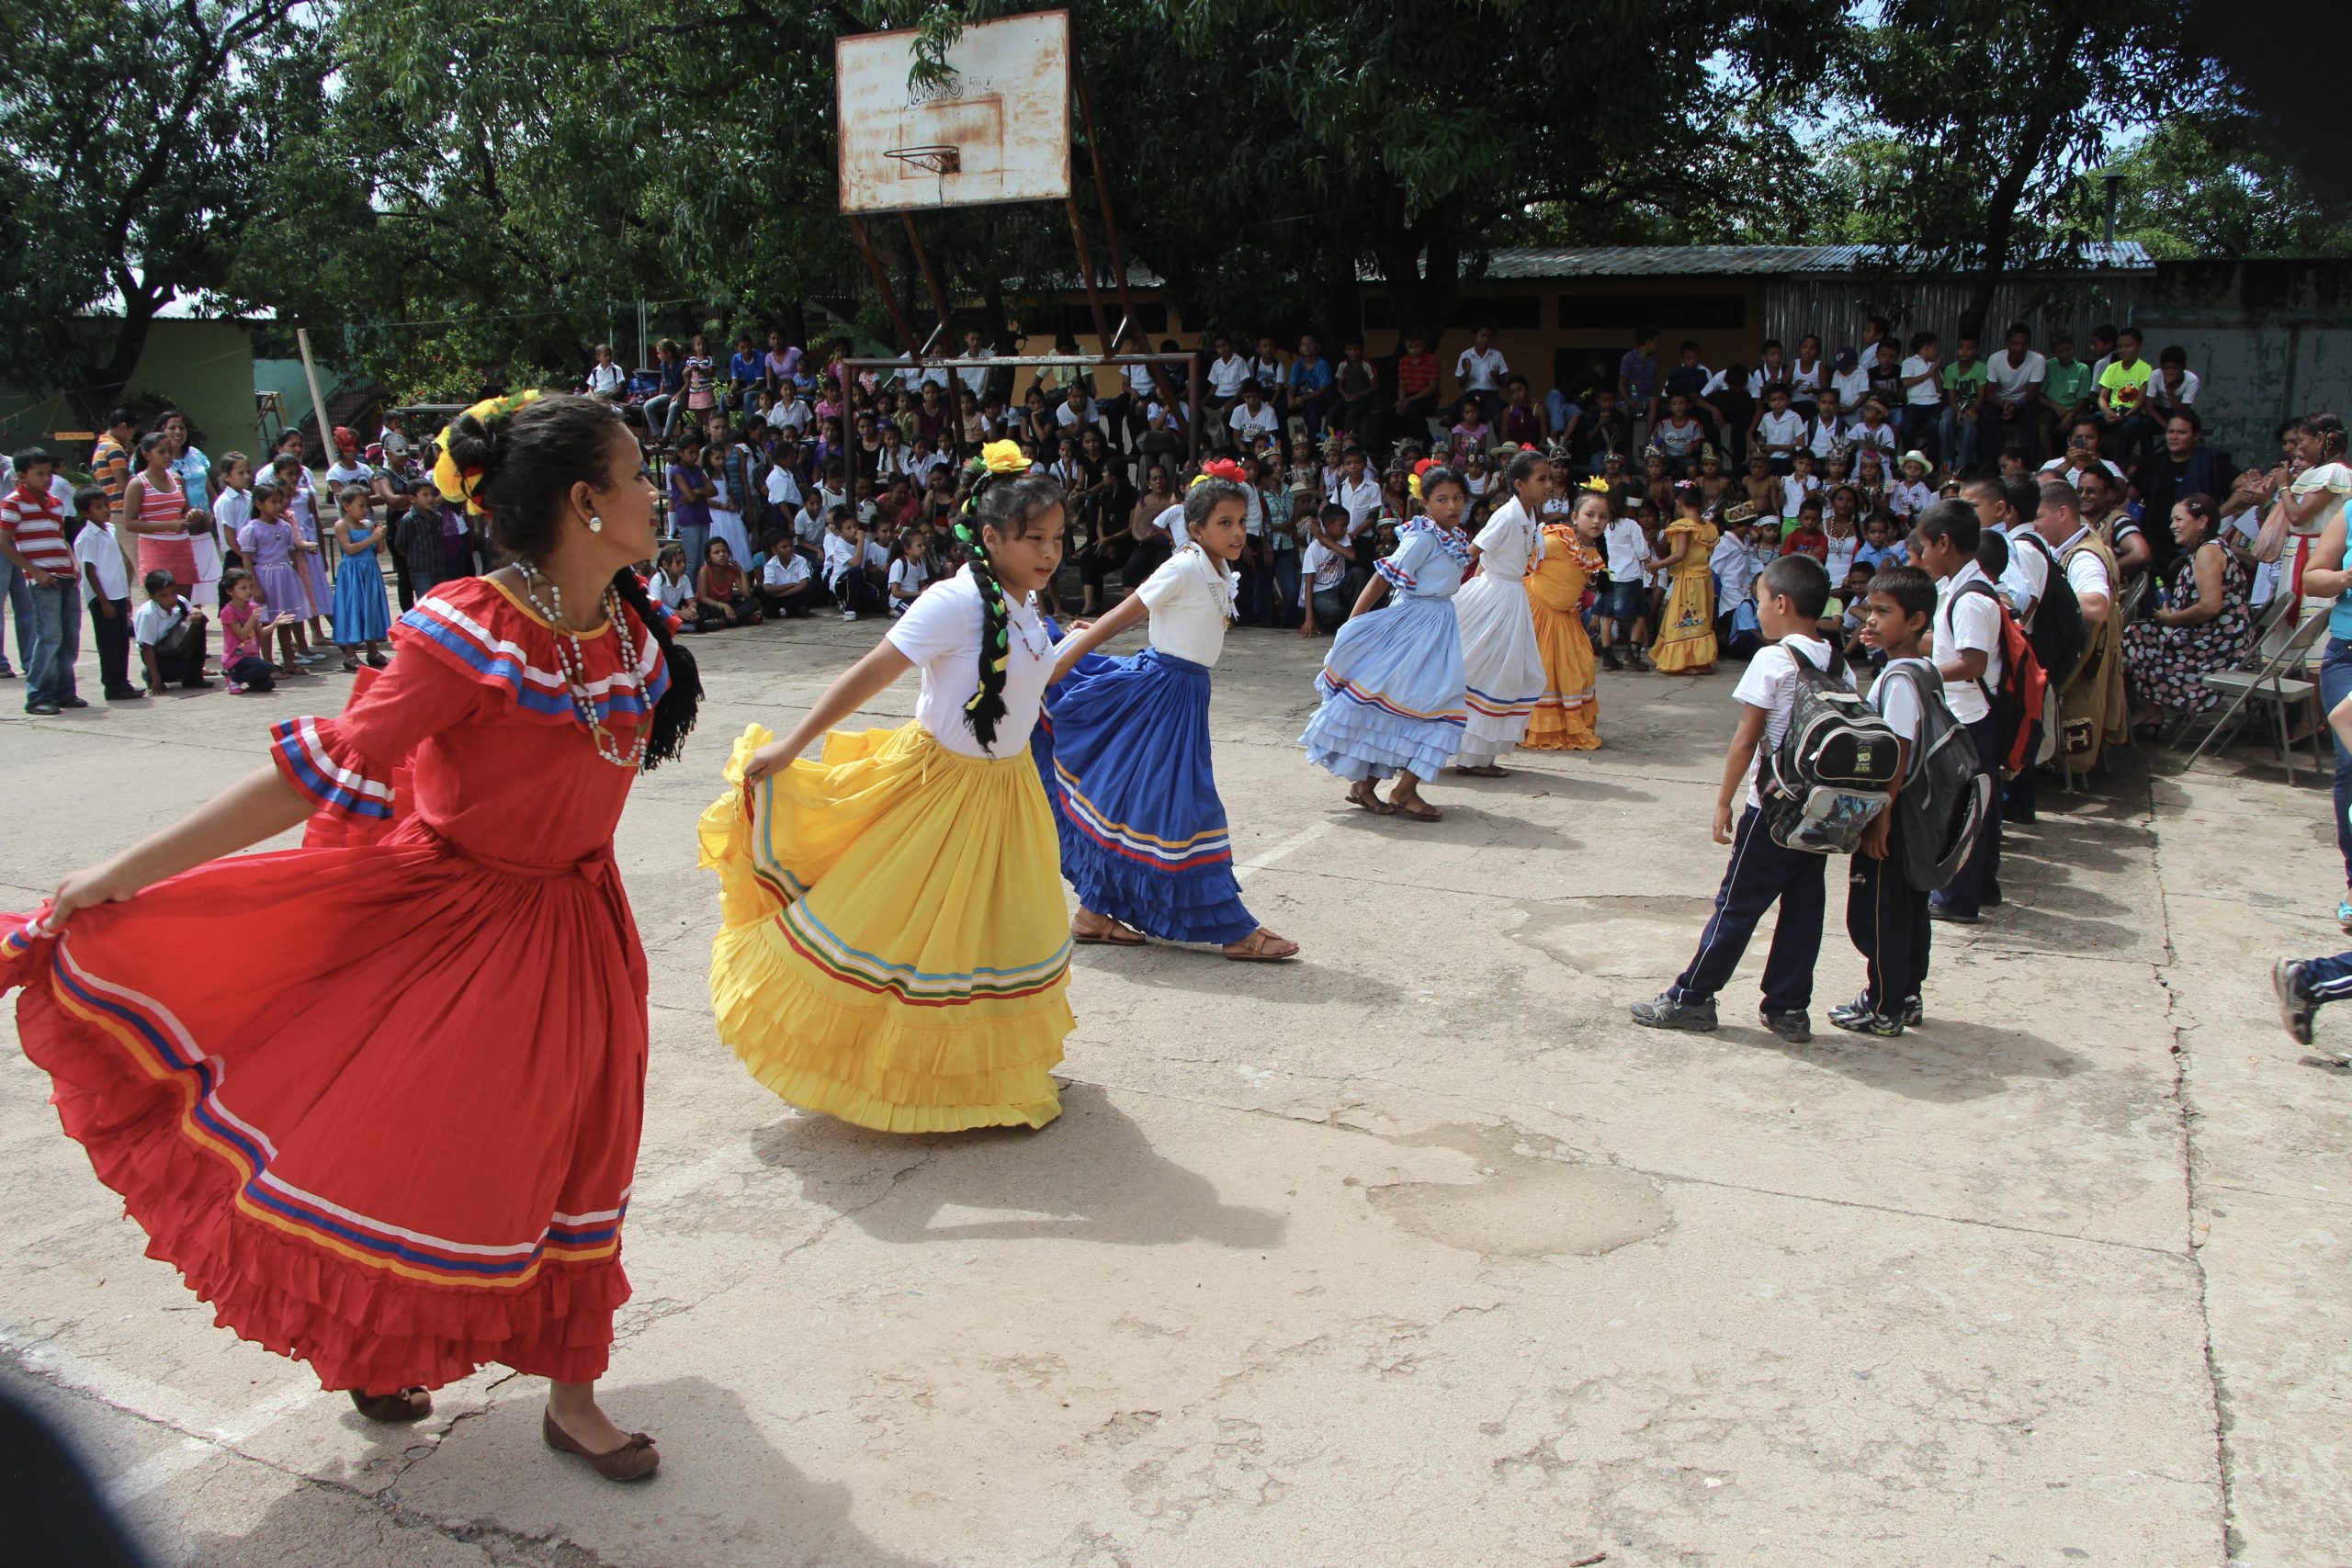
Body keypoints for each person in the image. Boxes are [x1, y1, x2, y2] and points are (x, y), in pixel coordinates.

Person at [4, 391, 697, 1479]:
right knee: (415, 1147)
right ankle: (381, 1343)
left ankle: (574, 1396)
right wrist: (119, 876)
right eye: (640, 474)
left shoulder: (622, 623)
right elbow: (313, 773)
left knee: (586, 1149)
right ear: (584, 501)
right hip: (457, 932)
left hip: (580, 925)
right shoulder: (468, 629)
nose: (655, 492)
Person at [700, 444, 1075, 1134]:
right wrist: (792, 744)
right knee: (905, 934)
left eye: (1056, 538)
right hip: (939, 791)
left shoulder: (1024, 601)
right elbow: (872, 672)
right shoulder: (953, 603)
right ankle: (899, 1071)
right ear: (991, 537)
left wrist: (1094, 630)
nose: (1050, 552)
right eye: (1034, 538)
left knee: (1001, 930)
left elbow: (1037, 673)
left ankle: (992, 1066)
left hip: (1009, 790)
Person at [1035, 473, 1298, 961]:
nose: (1237, 532)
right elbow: (1122, 615)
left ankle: (1093, 913)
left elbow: (1160, 619)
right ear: (1196, 529)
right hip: (1159, 693)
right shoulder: (1184, 566)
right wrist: (1059, 665)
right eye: (1224, 523)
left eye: (1242, 521)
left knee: (1138, 802)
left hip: (1185, 696)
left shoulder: (1216, 568)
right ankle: (1233, 928)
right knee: (1183, 807)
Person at [1629, 553, 1845, 1040]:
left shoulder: (1773, 659)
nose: (1759, 609)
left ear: (1782, 603)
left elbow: (1747, 739)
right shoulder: (1837, 661)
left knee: (1737, 905)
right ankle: (1789, 1008)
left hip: (1772, 807)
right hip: (1819, 809)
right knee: (1804, 907)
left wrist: (1724, 800)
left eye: (1761, 600)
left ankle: (1691, 998)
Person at [1299, 463, 1474, 820]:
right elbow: (1381, 579)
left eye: (1457, 498)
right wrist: (1353, 625)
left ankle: (1377, 788)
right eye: (1442, 499)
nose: (1452, 506)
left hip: (1438, 626)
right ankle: (1397, 790)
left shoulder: (1453, 536)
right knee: (1417, 706)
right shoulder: (1422, 537)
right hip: (1414, 627)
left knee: (1418, 707)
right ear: (1426, 502)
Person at [1834, 563, 1940, 1035]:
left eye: (1883, 612)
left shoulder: (1898, 679)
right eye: (1870, 610)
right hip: (1918, 812)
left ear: (1915, 621)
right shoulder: (1924, 669)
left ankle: (1883, 1006)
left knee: (1878, 913)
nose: (1870, 620)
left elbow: (1899, 750)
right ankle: (1906, 993)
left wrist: (1880, 817)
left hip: (1893, 814)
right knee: (1911, 906)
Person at [1914, 502, 2005, 925]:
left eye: (1925, 546)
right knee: (1979, 807)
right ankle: (1982, 886)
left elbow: (1972, 662)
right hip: (1968, 713)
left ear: (1944, 543)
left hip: (1970, 717)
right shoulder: (1959, 587)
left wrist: (1924, 675)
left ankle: (1956, 899)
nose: (1922, 554)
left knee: (1960, 809)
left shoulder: (1971, 599)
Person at [1449, 449, 1552, 776]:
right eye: (1542, 479)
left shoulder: (1529, 516)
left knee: (1506, 674)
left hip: (1509, 598)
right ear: (1520, 484)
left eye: (1549, 478)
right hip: (1495, 596)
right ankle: (1471, 756)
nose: (1549, 485)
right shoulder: (1507, 516)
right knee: (1484, 672)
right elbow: (1471, 553)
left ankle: (1476, 755)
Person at [2124, 494, 2254, 729]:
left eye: (2179, 519)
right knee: (2142, 632)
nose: (2172, 526)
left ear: (2202, 522)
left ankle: (2149, 709)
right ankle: (2149, 709)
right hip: (2209, 635)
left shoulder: (2208, 552)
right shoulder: (2206, 549)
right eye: (2172, 520)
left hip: (2216, 644)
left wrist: (2171, 619)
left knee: (2137, 635)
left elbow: (2210, 606)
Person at [1524, 486, 1609, 750]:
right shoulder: (1558, 540)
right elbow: (1522, 555)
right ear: (1575, 516)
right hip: (1537, 612)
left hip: (1564, 616)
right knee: (1543, 670)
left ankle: (1564, 724)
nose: (1596, 521)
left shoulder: (1591, 550)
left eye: (1603, 517)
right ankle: (1533, 726)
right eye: (1590, 515)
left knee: (1581, 667)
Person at [2, 446, 85, 716]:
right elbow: (4, 541)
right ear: (21, 476)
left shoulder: (55, 502)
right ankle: (38, 695)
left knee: (69, 637)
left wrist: (73, 563)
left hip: (65, 576)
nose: (47, 479)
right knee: (49, 637)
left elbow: (60, 537)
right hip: (43, 580)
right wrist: (33, 571)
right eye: (39, 474)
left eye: (48, 473)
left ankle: (64, 692)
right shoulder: (13, 503)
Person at [70, 485, 140, 702]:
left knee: (121, 641)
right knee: (109, 643)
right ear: (85, 512)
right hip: (103, 598)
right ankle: (113, 685)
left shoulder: (109, 530)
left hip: (117, 594)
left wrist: (126, 596)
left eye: (106, 505)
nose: (105, 510)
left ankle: (122, 681)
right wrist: (103, 601)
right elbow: (90, 571)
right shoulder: (88, 537)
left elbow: (117, 566)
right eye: (98, 507)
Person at [237, 482, 317, 668]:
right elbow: (247, 560)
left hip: (285, 578)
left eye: (281, 501)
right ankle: (268, 664)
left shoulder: (285, 527)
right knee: (267, 623)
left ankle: (289, 661)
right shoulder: (253, 529)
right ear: (259, 504)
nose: (279, 506)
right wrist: (255, 586)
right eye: (273, 502)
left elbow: (291, 553)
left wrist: (295, 578)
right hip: (266, 578)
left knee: (285, 621)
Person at [118, 433, 195, 604]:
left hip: (182, 548)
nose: (167, 456)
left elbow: (184, 511)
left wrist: (192, 515)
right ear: (147, 455)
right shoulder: (138, 484)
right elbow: (129, 523)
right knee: (160, 605)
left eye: (170, 451)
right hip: (155, 549)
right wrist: (167, 525)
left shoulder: (177, 480)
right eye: (161, 452)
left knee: (183, 605)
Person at [1650, 486, 1719, 675]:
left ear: (1679, 503)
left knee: (1683, 620)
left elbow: (1680, 554)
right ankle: (1700, 660)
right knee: (1700, 620)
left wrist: (1657, 565)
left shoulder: (1684, 525)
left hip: (1688, 580)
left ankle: (1687, 661)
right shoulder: (1706, 526)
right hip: (1704, 579)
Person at [329, 486, 392, 671]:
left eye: (366, 506)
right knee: (353, 609)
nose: (365, 510)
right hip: (352, 573)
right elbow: (349, 549)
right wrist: (372, 538)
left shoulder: (368, 524)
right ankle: (350, 655)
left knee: (370, 608)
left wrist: (380, 536)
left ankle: (373, 651)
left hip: (370, 571)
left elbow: (380, 550)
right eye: (361, 505)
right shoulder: (341, 525)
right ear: (347, 506)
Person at [131, 570, 211, 692]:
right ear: (153, 596)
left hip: (175, 645)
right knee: (178, 670)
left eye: (173, 593)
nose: (170, 599)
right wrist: (157, 681)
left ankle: (194, 678)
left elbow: (192, 611)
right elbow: (147, 647)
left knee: (199, 621)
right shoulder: (148, 614)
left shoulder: (180, 601)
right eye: (164, 596)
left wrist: (195, 611)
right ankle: (150, 674)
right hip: (156, 653)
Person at [215, 567, 283, 692]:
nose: (249, 591)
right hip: (236, 658)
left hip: (251, 657)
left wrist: (275, 624)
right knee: (267, 667)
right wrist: (252, 618)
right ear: (230, 591)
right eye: (243, 588)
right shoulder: (228, 611)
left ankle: (246, 677)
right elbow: (242, 636)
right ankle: (234, 678)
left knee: (267, 685)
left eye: (250, 587)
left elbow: (260, 634)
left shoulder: (252, 607)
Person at [1297, 505, 1356, 636]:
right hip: (1320, 592)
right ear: (1329, 525)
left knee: (1357, 574)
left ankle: (1351, 620)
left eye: (1347, 525)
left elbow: (1351, 556)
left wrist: (1323, 538)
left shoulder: (1344, 539)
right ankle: (1320, 622)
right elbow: (1308, 586)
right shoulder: (1313, 550)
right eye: (1342, 525)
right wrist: (1309, 619)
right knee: (1333, 611)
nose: (1345, 529)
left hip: (1338, 587)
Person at [692, 537, 760, 630]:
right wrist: (723, 606)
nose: (722, 555)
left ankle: (723, 622)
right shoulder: (704, 571)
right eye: (716, 552)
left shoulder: (731, 569)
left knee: (754, 601)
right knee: (702, 613)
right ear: (709, 557)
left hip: (728, 605)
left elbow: (746, 594)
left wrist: (741, 572)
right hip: (711, 606)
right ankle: (741, 619)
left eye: (724, 551)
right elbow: (703, 598)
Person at [759, 533, 816, 617]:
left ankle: (781, 612)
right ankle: (792, 611)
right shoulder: (770, 565)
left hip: (795, 595)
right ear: (774, 550)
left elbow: (803, 586)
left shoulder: (801, 560)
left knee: (815, 586)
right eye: (784, 547)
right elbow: (768, 588)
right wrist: (791, 585)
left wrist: (780, 595)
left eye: (791, 546)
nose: (789, 549)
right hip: (778, 598)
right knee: (758, 590)